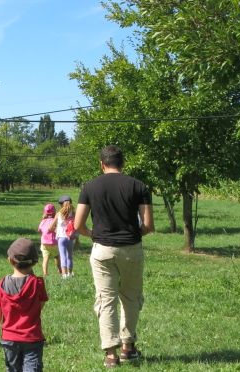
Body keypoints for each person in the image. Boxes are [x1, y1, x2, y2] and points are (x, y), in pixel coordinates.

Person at [73, 145, 154, 368]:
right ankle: (128, 347)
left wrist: (93, 235)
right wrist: (132, 234)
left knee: (105, 299)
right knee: (131, 298)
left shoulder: (89, 186)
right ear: (122, 163)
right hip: (131, 249)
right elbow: (148, 225)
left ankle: (110, 354)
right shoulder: (138, 186)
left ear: (102, 163)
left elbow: (78, 225)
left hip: (102, 250)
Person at [0, 238, 48, 372]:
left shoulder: (1, 285)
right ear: (34, 263)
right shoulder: (38, 284)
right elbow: (40, 305)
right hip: (32, 339)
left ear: (10, 260)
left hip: (9, 339)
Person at [50, 195, 76, 278]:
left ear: (61, 205)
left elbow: (50, 227)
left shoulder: (58, 214)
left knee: (62, 255)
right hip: (70, 237)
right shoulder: (74, 214)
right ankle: (70, 273)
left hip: (61, 238)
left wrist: (56, 230)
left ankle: (64, 275)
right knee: (70, 256)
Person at [37, 203, 60, 277]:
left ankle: (45, 273)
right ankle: (60, 270)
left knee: (45, 259)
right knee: (57, 257)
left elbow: (39, 230)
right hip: (54, 243)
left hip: (44, 243)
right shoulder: (55, 221)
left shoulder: (43, 221)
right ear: (54, 212)